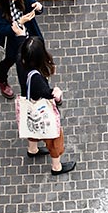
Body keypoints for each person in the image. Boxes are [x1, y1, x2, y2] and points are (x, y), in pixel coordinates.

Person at [16, 35, 75, 176]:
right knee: (55, 138)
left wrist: (21, 35)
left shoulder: (20, 60)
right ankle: (56, 167)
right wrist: (56, 93)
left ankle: (33, 150)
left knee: (31, 126)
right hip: (41, 109)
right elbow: (47, 93)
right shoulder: (36, 76)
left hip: (27, 101)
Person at [0, 0, 43, 99]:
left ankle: (35, 80)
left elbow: (33, 4)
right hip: (11, 41)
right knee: (8, 61)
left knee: (34, 55)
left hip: (29, 34)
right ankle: (2, 80)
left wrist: (38, 7)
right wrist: (20, 22)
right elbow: (3, 29)